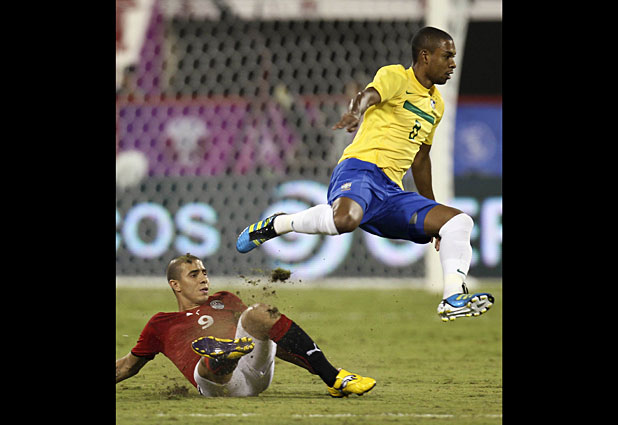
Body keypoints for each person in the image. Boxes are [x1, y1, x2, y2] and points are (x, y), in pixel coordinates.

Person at [236, 26, 494, 322]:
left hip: (392, 191)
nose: (453, 64)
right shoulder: (397, 76)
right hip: (361, 168)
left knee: (458, 221)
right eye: (447, 56)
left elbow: (421, 159)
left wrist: (432, 210)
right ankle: (278, 224)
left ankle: (452, 297)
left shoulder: (437, 106)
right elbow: (368, 95)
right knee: (346, 220)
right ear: (425, 56)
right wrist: (356, 112)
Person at [115, 253, 376, 398]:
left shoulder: (225, 299)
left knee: (259, 313)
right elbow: (127, 366)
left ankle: (333, 377)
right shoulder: (160, 324)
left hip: (255, 369)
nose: (204, 279)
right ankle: (222, 356)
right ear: (176, 285)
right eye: (194, 275)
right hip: (218, 384)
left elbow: (271, 338)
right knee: (206, 364)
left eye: (204, 272)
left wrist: (316, 367)